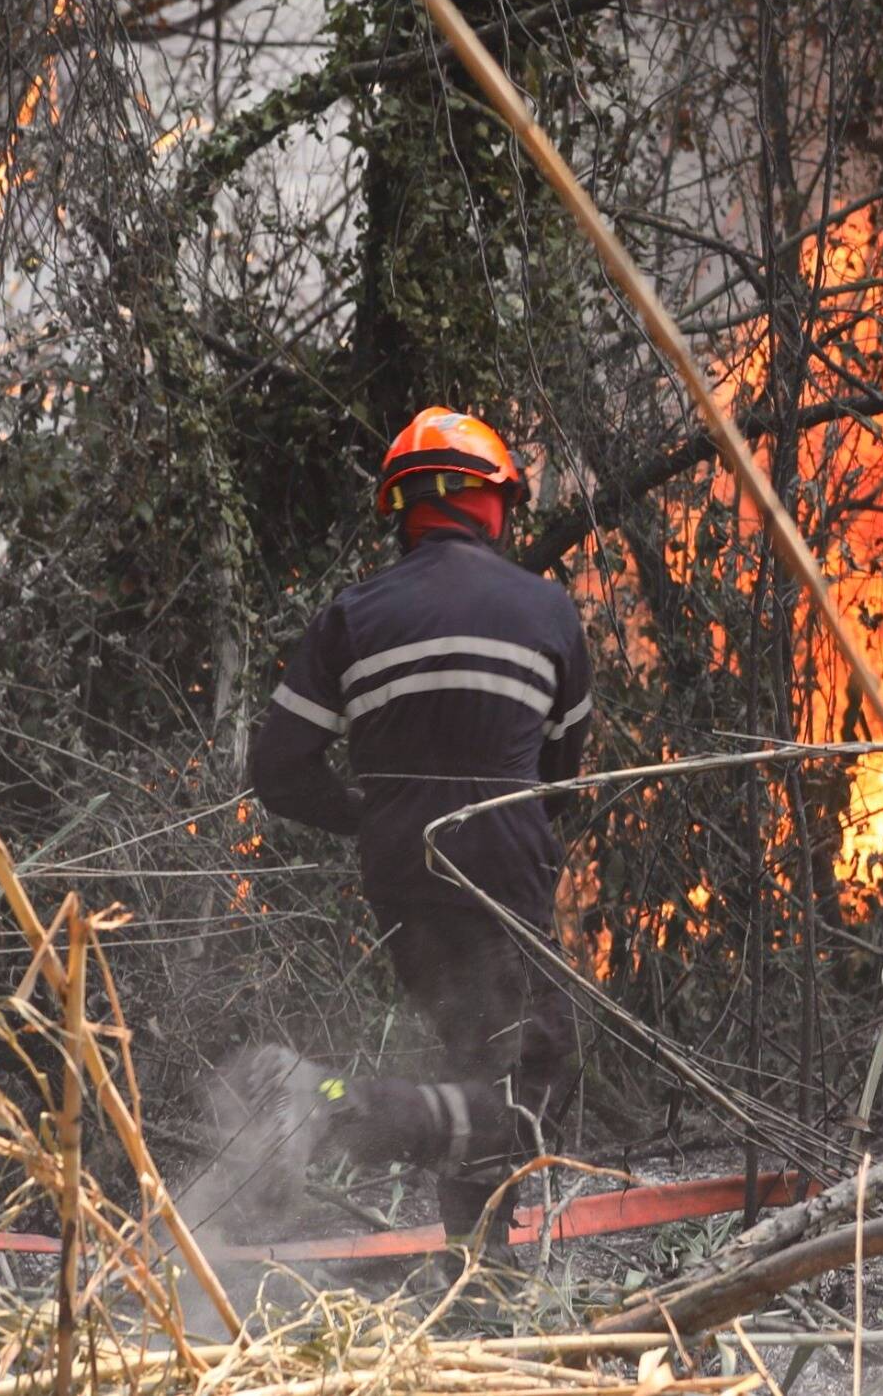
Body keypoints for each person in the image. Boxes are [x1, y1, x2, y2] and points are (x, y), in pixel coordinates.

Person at [223, 407, 592, 1246]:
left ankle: (478, 1270)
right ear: (491, 502)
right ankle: (324, 1103)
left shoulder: (353, 616)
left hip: (400, 878)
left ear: (404, 508)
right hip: (499, 868)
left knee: (479, 1065)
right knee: (532, 1079)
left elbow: (278, 769)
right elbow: (559, 782)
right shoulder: (547, 612)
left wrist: (374, 817)